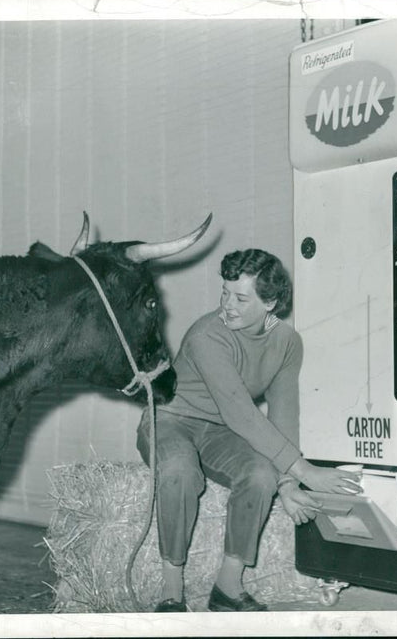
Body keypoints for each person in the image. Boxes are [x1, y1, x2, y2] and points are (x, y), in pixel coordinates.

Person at [136, 248, 362, 613]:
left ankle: (227, 586)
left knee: (260, 474)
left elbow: (283, 414)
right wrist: (305, 471)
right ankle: (171, 590)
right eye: (224, 292)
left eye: (241, 297)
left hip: (218, 430)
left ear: (270, 302)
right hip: (171, 420)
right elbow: (241, 414)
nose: (227, 305)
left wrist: (287, 483)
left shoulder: (286, 342)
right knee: (179, 470)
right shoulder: (207, 335)